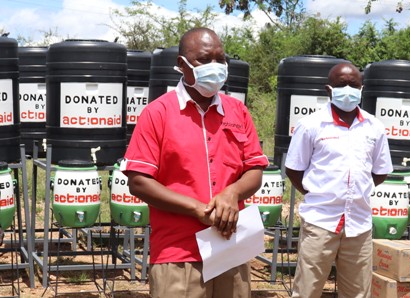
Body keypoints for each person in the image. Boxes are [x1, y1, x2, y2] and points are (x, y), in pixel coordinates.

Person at [121, 27, 269, 298]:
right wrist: (198, 210)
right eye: (204, 59)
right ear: (182, 65)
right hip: (178, 253)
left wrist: (231, 193)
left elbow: (254, 169)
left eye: (220, 59)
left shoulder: (237, 111)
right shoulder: (158, 113)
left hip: (231, 247)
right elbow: (139, 181)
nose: (215, 66)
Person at [284, 62, 393, 298]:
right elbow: (294, 169)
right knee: (307, 290)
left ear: (362, 88)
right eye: (341, 85)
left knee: (357, 293)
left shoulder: (374, 127)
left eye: (353, 84)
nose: (348, 90)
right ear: (328, 89)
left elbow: (381, 170)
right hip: (320, 222)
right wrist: (320, 193)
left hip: (359, 225)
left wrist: (356, 193)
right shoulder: (311, 125)